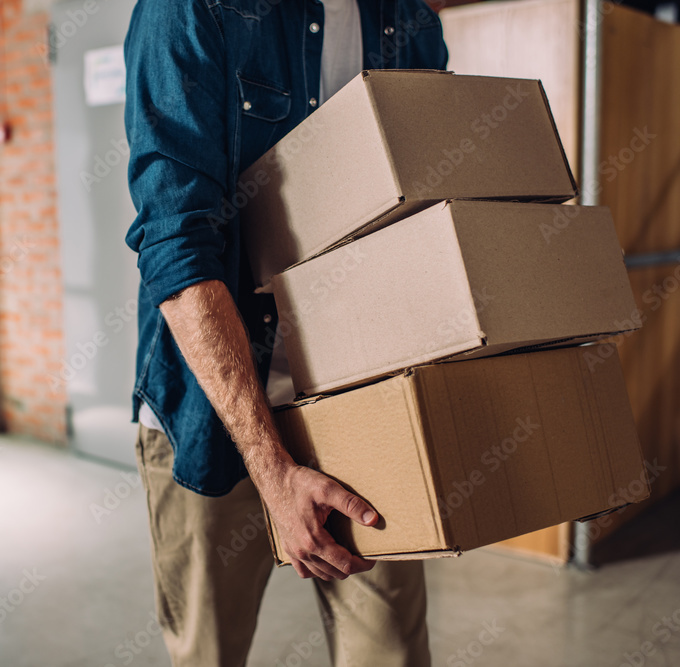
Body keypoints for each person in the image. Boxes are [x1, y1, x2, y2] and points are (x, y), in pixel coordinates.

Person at [123, 0, 448, 665]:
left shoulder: (408, 17)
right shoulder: (187, 10)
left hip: (362, 398)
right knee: (209, 651)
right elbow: (176, 246)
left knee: (391, 652)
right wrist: (272, 469)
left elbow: (433, 212)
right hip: (212, 410)